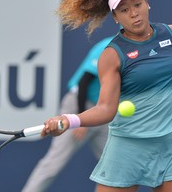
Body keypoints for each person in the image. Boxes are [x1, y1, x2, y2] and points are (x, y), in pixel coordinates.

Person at [41, 0, 172, 192]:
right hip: (126, 151)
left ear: (147, 3)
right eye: (124, 10)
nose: (134, 13)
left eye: (137, 4)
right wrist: (68, 120)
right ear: (115, 17)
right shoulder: (112, 55)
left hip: (168, 148)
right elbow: (106, 109)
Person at [21, 36, 114, 192]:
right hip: (80, 106)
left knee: (114, 166)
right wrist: (81, 118)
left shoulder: (136, 52)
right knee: (54, 164)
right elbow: (83, 83)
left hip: (104, 114)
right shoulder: (108, 47)